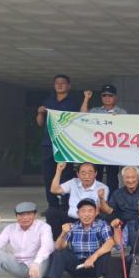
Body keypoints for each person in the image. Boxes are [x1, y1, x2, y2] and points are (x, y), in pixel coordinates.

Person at [40, 199, 114, 278]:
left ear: (96, 213)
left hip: (95, 266)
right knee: (58, 253)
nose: (86, 214)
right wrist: (63, 233)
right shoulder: (73, 227)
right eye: (83, 211)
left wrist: (93, 257)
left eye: (90, 211)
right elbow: (59, 247)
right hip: (77, 266)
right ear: (78, 214)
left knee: (106, 253)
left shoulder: (102, 225)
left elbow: (110, 242)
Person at [36, 74, 79, 208]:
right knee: (48, 176)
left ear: (69, 86)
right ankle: (52, 206)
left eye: (62, 83)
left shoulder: (73, 102)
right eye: (57, 83)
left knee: (66, 175)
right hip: (48, 144)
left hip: (65, 145)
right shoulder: (48, 101)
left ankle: (66, 205)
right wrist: (40, 113)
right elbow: (40, 123)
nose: (59, 85)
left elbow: (78, 122)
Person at [81, 84, 127, 193]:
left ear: (115, 97)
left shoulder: (121, 112)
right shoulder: (95, 111)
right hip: (96, 150)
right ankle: (95, 199)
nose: (107, 98)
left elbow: (127, 129)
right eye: (104, 95)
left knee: (112, 177)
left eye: (110, 95)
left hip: (113, 150)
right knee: (97, 176)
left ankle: (112, 200)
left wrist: (119, 120)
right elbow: (81, 117)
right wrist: (86, 98)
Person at [45, 162, 109, 240]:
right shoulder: (73, 182)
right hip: (71, 217)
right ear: (78, 174)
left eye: (90, 173)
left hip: (89, 219)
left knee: (103, 218)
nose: (87, 176)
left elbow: (99, 210)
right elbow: (54, 190)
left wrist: (101, 198)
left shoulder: (103, 187)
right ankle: (57, 241)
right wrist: (59, 171)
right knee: (51, 213)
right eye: (83, 173)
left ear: (95, 174)